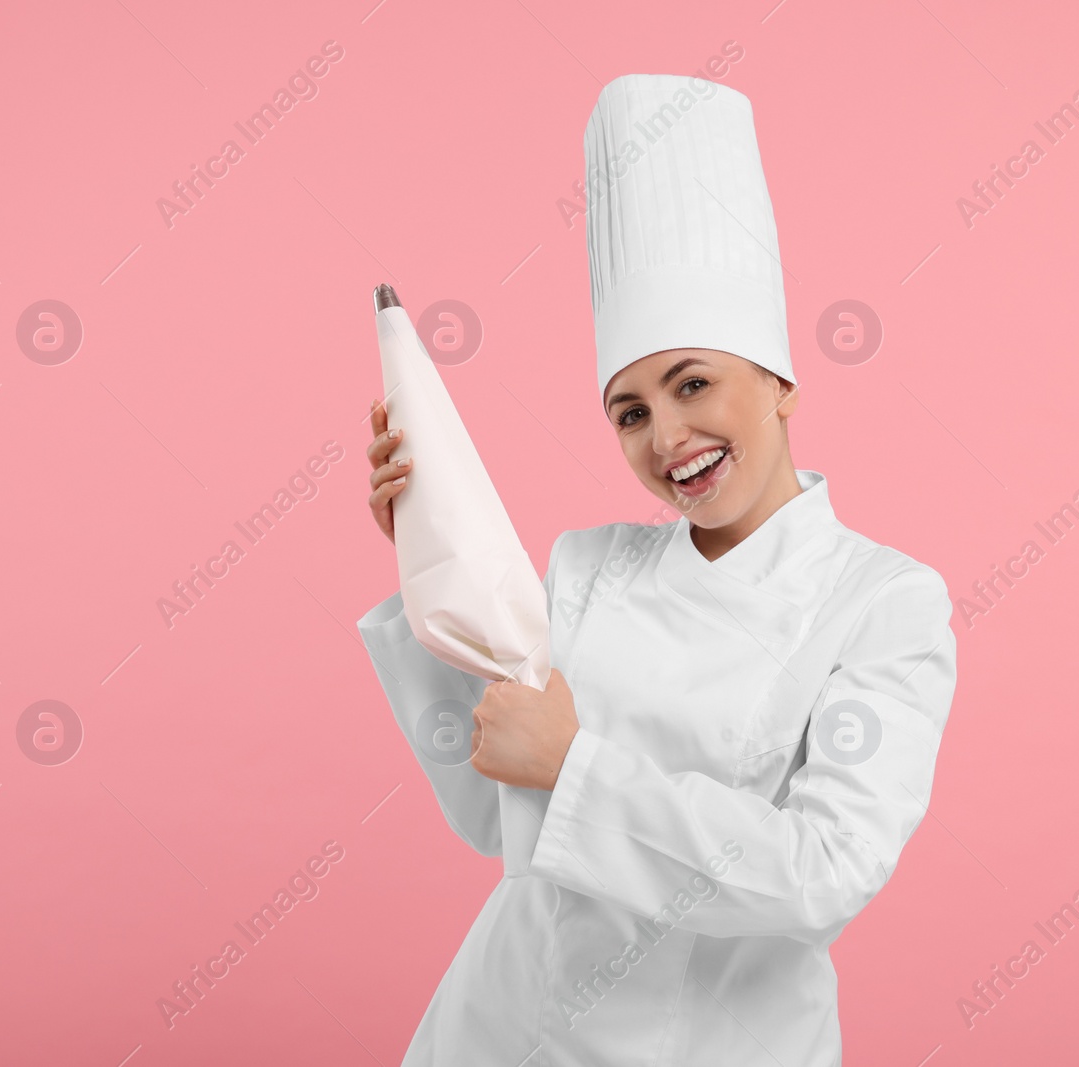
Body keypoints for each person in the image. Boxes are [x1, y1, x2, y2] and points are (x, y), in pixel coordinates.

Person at [356, 73, 957, 1066]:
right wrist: (427, 552)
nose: (666, 436)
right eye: (629, 410)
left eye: (692, 383)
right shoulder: (587, 565)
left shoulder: (883, 601)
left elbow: (820, 872)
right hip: (500, 1033)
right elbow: (487, 815)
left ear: (779, 382)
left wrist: (573, 764)